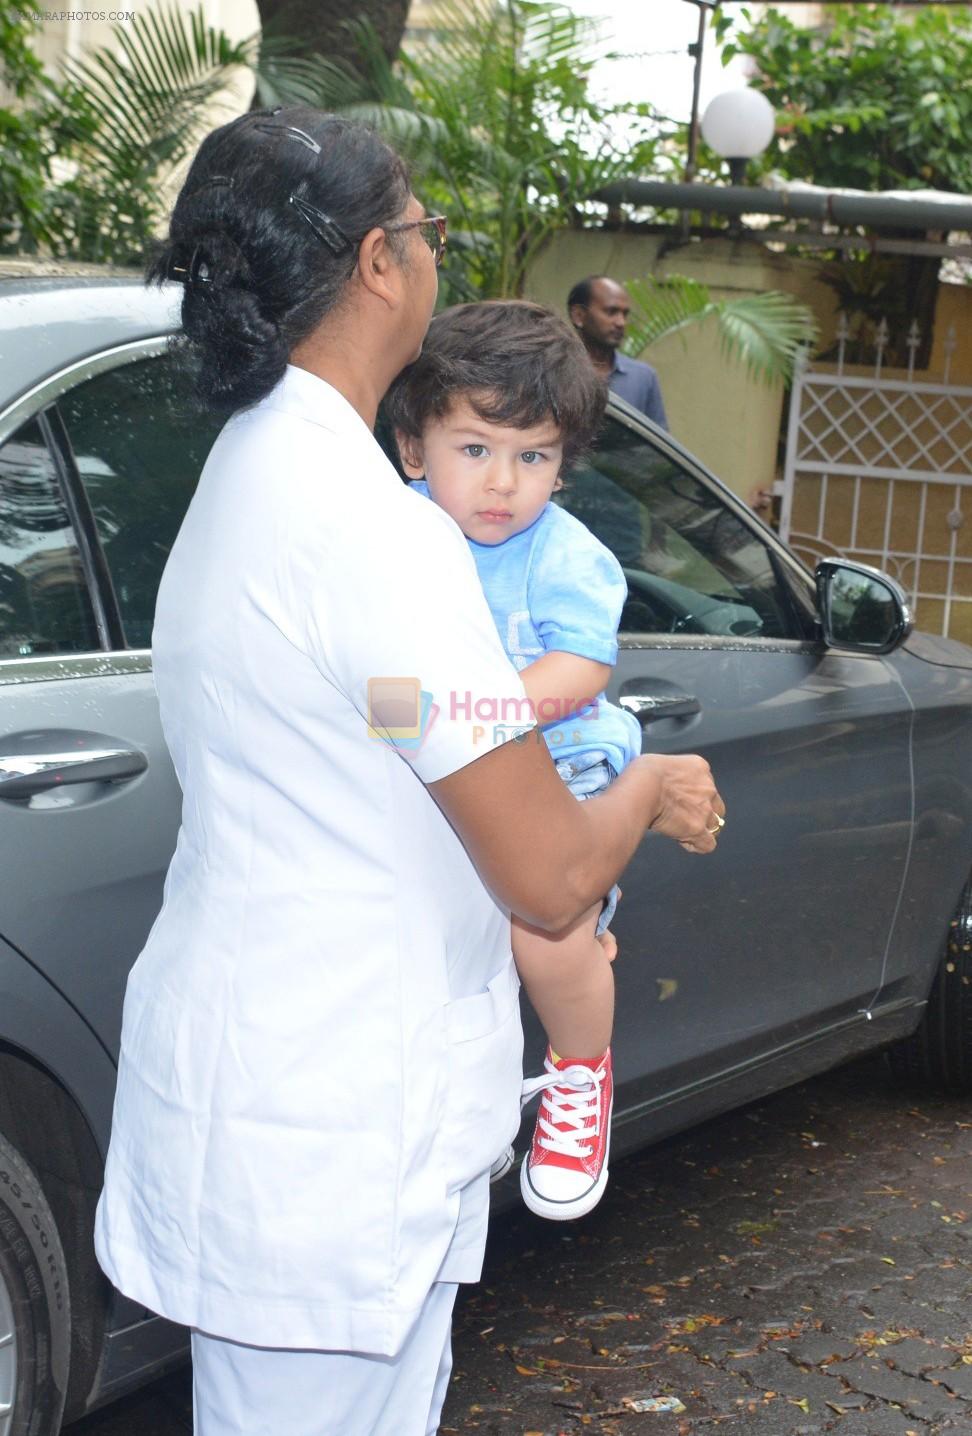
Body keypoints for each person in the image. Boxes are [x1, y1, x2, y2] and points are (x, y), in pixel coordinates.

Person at [93, 105, 725, 1436]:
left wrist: (474, 709)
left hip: (285, 1097)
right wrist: (652, 783)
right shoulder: (372, 530)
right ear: (380, 264)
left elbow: (377, 707)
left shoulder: (261, 470)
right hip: (326, 1126)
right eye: (428, 232)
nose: (437, 255)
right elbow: (551, 879)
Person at [388, 299, 644, 1223]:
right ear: (415, 449)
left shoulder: (565, 555)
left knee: (544, 921)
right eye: (476, 449)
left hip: (557, 757)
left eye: (532, 457)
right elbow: (372, 685)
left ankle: (579, 1071)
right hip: (433, 753)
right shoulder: (389, 534)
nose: (503, 482)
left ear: (562, 465)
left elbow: (581, 669)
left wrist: (471, 710)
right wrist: (399, 718)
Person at [567, 274, 668, 429]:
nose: (621, 322)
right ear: (579, 316)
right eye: (611, 312)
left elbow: (655, 446)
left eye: (625, 314)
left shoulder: (643, 377)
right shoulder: (552, 371)